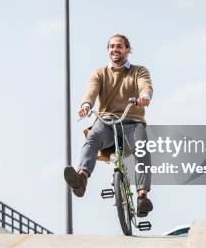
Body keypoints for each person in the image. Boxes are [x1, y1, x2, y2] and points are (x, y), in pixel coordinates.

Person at [64, 34, 154, 217]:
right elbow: (91, 92)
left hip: (133, 121)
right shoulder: (99, 73)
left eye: (119, 46)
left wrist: (145, 97)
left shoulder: (139, 71)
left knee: (142, 148)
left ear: (127, 50)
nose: (115, 49)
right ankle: (81, 179)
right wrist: (86, 106)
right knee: (92, 139)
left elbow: (145, 86)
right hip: (106, 121)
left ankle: (142, 196)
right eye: (112, 46)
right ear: (108, 50)